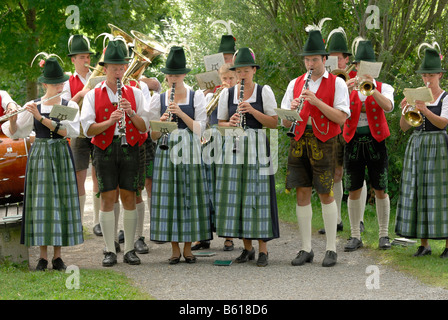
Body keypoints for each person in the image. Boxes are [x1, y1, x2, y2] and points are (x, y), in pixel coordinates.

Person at [2, 55, 83, 271]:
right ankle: (42, 257)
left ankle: (58, 257)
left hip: (60, 153)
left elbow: (69, 131)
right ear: (44, 83)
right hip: (40, 154)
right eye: (54, 83)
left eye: (61, 82)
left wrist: (41, 117)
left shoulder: (68, 104)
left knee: (60, 201)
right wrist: (12, 117)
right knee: (41, 203)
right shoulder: (33, 104)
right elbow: (16, 133)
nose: (59, 86)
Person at [281, 30, 350, 268]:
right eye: (307, 60)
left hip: (325, 141)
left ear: (324, 59)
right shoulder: (295, 83)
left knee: (325, 192)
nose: (310, 64)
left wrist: (316, 101)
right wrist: (291, 111)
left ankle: (331, 248)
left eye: (315, 60)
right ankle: (306, 248)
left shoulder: (338, 83)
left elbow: (341, 118)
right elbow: (285, 122)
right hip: (299, 139)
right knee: (302, 192)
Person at [80, 40, 150, 267]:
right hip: (104, 149)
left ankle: (130, 248)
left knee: (129, 197)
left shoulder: (136, 93)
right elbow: (87, 129)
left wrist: (130, 113)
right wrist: (109, 121)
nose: (119, 72)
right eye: (114, 68)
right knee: (108, 199)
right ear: (106, 68)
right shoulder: (92, 95)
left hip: (130, 148)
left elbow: (144, 127)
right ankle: (109, 249)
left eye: (122, 68)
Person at [215, 47, 279, 267]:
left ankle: (263, 250)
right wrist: (229, 123)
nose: (242, 75)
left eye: (245, 70)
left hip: (257, 146)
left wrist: (252, 111)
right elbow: (219, 123)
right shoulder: (227, 93)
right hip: (233, 146)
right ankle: (247, 248)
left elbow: (274, 122)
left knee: (258, 196)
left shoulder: (264, 91)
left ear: (253, 70)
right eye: (238, 71)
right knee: (239, 196)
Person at [149, 46, 212, 264]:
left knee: (190, 196)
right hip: (167, 149)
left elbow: (200, 129)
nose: (172, 78)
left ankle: (188, 248)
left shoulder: (196, 97)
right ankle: (174, 248)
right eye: (169, 75)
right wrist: (164, 121)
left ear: (184, 75)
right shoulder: (158, 99)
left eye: (176, 75)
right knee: (170, 196)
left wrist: (181, 113)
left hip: (190, 148)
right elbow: (153, 135)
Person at [395, 44, 448, 258]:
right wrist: (407, 110)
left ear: (440, 75)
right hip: (418, 147)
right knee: (419, 191)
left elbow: (444, 123)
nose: (427, 78)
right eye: (425, 74)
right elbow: (404, 127)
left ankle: (447, 245)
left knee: (440, 194)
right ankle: (424, 244)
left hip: (439, 148)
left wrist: (425, 109)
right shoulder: (416, 96)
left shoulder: (445, 97)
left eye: (431, 75)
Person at [343, 39, 394, 252]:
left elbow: (389, 107)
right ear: (355, 67)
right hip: (352, 141)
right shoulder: (345, 86)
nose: (363, 70)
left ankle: (384, 235)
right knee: (354, 189)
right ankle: (355, 235)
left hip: (376, 141)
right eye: (360, 66)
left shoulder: (385, 87)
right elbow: (337, 108)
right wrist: (345, 88)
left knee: (380, 188)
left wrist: (372, 89)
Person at [319, 27, 368, 235]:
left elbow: (367, 103)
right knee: (335, 174)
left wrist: (349, 91)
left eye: (337, 58)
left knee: (357, 175)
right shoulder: (325, 78)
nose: (334, 63)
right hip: (335, 130)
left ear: (346, 59)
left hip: (355, 130)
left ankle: (361, 219)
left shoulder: (358, 76)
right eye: (329, 58)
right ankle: (337, 218)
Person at [193, 63, 238, 252]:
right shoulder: (211, 95)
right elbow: (203, 120)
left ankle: (228, 236)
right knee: (206, 188)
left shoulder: (238, 96)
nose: (227, 82)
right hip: (209, 142)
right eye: (224, 79)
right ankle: (203, 236)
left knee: (224, 189)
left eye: (231, 79)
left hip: (228, 143)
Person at [62, 34, 102, 234]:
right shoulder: (68, 83)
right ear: (73, 60)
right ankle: (78, 223)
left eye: (88, 57)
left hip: (97, 129)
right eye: (82, 57)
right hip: (78, 132)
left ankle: (97, 221)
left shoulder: (99, 77)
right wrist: (80, 95)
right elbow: (66, 111)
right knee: (79, 176)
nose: (87, 61)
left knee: (98, 175)